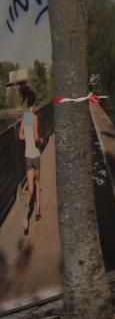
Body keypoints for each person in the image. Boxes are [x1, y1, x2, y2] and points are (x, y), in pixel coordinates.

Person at [17, 86, 41, 236]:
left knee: (30, 188)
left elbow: (20, 136)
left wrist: (27, 137)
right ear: (34, 104)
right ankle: (38, 213)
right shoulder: (35, 118)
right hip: (35, 155)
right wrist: (40, 139)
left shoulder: (25, 117)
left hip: (27, 156)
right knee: (38, 185)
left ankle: (26, 214)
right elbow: (37, 137)